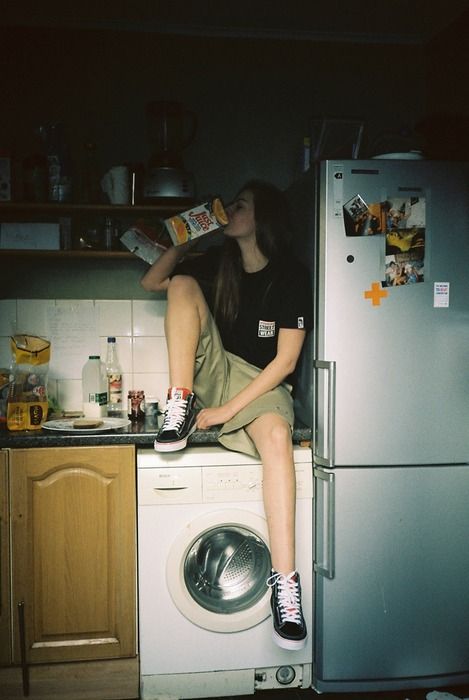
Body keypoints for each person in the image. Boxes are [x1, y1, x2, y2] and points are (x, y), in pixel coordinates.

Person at [141, 180, 312, 651]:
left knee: (277, 439)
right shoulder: (221, 264)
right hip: (218, 371)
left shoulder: (291, 276)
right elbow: (152, 282)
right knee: (180, 281)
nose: (229, 210)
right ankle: (177, 404)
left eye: (240, 206)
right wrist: (188, 237)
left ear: (264, 217)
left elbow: (285, 363)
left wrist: (224, 411)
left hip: (264, 381)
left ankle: (285, 587)